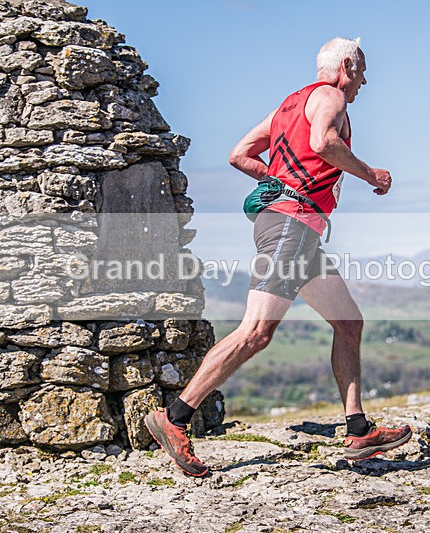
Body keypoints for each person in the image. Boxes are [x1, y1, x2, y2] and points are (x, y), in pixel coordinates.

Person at [144, 37, 412, 477]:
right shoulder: (331, 96)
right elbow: (325, 144)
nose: (365, 79)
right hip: (291, 227)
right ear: (346, 65)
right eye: (362, 70)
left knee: (349, 323)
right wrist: (371, 175)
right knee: (255, 333)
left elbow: (239, 155)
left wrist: (283, 181)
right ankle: (173, 419)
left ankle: (358, 428)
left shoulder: (289, 106)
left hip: (296, 228)